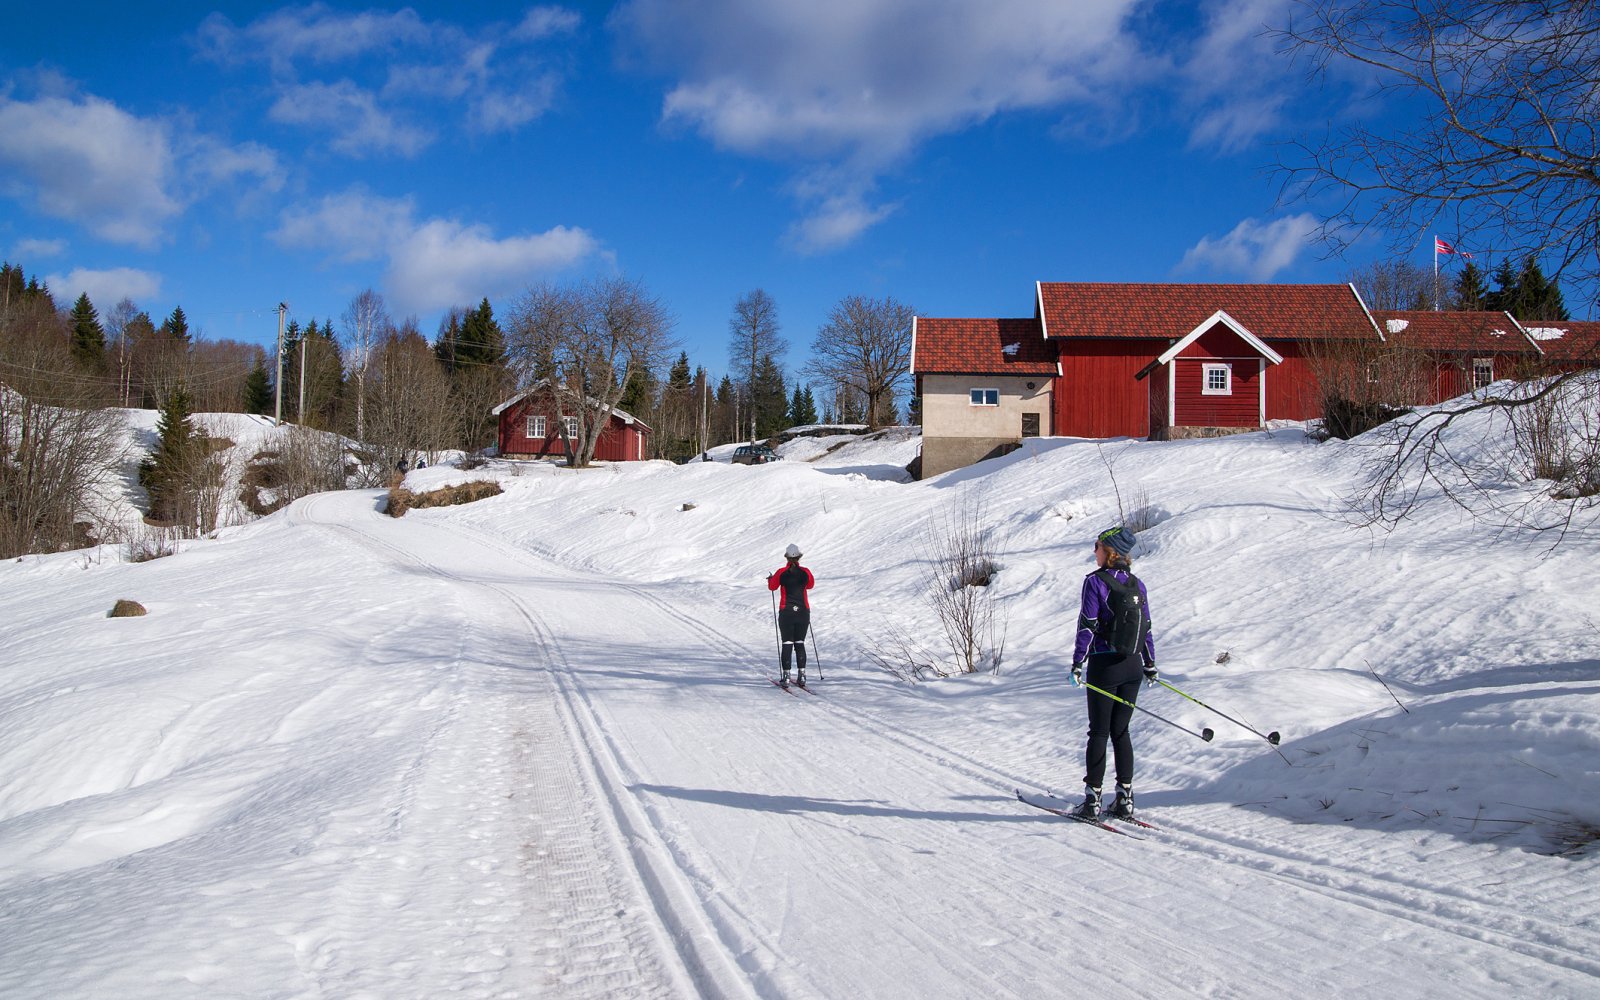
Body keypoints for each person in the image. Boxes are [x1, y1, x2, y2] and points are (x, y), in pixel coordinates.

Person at [1069, 525, 1157, 820]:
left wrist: (1077, 662)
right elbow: (1146, 629)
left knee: (1099, 732)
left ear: (1109, 552)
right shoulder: (1137, 584)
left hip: (1104, 665)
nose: (1093, 551)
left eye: (1096, 546)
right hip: (1132, 667)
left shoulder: (1095, 582)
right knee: (1122, 732)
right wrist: (1150, 664)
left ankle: (1092, 801)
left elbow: (1088, 624)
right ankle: (1125, 799)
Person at [767, 543, 814, 688]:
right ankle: (802, 675)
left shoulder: (781, 572)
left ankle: (786, 677)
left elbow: (772, 587)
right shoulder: (806, 572)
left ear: (786, 557)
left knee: (787, 642)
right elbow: (810, 585)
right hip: (803, 612)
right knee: (799, 642)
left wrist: (770, 579)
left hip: (786, 612)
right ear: (799, 557)